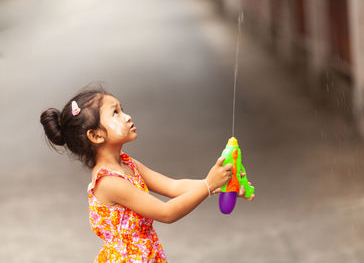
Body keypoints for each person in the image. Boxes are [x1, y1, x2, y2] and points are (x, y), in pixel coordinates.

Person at [40, 86, 254, 262]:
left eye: (122, 109)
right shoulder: (108, 182)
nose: (127, 116)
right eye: (115, 113)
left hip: (147, 255)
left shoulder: (127, 163)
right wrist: (208, 185)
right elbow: (166, 213)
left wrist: (221, 185)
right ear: (95, 135)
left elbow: (173, 187)